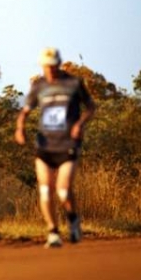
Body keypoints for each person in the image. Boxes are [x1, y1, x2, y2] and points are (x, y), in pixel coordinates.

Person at [15, 47, 96, 248]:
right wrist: (20, 129)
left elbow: (91, 107)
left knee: (63, 191)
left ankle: (73, 220)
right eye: (46, 67)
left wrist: (79, 124)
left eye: (53, 66)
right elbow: (25, 111)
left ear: (58, 64)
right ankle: (53, 232)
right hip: (45, 145)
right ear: (42, 66)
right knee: (44, 190)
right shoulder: (39, 85)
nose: (49, 71)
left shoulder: (74, 83)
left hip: (68, 144)